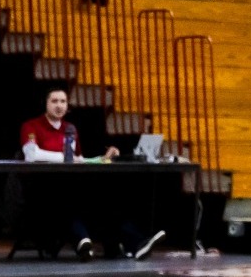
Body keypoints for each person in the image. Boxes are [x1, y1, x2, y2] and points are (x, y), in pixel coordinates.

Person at [16, 88, 165, 260]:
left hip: (69, 184)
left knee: (104, 200)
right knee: (67, 203)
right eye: (54, 101)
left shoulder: (70, 128)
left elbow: (79, 158)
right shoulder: (31, 126)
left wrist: (102, 158)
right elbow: (32, 155)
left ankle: (136, 243)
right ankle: (83, 240)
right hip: (44, 188)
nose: (59, 105)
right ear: (46, 104)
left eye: (63, 102)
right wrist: (65, 157)